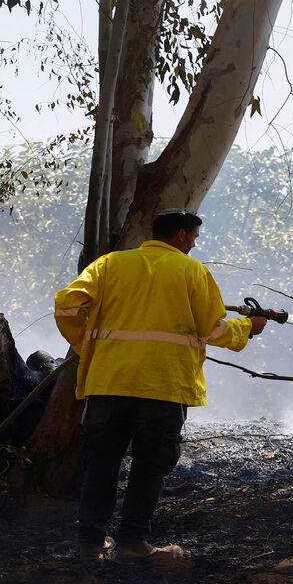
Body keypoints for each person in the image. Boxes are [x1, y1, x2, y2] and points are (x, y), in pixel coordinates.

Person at [54, 208, 265, 562]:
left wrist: (90, 346)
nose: (194, 246)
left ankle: (90, 545)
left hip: (109, 383)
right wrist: (248, 328)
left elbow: (66, 306)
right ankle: (132, 544)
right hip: (162, 387)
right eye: (194, 239)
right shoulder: (192, 272)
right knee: (150, 465)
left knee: (101, 464)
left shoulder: (108, 265)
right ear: (180, 235)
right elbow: (213, 330)